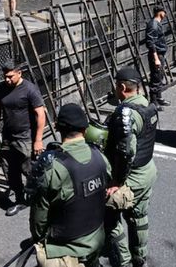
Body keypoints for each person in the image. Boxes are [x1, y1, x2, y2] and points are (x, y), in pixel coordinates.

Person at [26, 104, 110, 267]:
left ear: (58, 128)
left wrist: (39, 239)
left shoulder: (52, 167)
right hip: (96, 239)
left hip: (66, 250)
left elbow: (38, 220)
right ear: (85, 130)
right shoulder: (100, 157)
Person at [103, 67, 158, 267]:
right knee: (139, 216)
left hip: (132, 177)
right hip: (148, 171)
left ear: (123, 87)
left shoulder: (126, 113)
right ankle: (139, 258)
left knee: (108, 216)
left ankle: (123, 262)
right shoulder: (147, 105)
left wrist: (117, 180)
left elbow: (126, 151)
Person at [0, 60, 46, 216]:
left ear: (19, 73)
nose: (7, 80)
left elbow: (40, 114)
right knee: (9, 168)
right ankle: (20, 200)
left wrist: (38, 140)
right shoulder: (1, 89)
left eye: (10, 76)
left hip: (25, 137)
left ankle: (41, 198)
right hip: (8, 137)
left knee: (29, 169)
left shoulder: (29, 89)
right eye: (5, 76)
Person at [144, 6, 170, 110]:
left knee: (159, 76)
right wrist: (156, 58)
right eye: (164, 12)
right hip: (157, 54)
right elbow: (151, 42)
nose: (165, 14)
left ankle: (158, 98)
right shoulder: (154, 25)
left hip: (160, 53)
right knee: (155, 78)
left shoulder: (157, 23)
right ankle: (154, 103)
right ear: (160, 12)